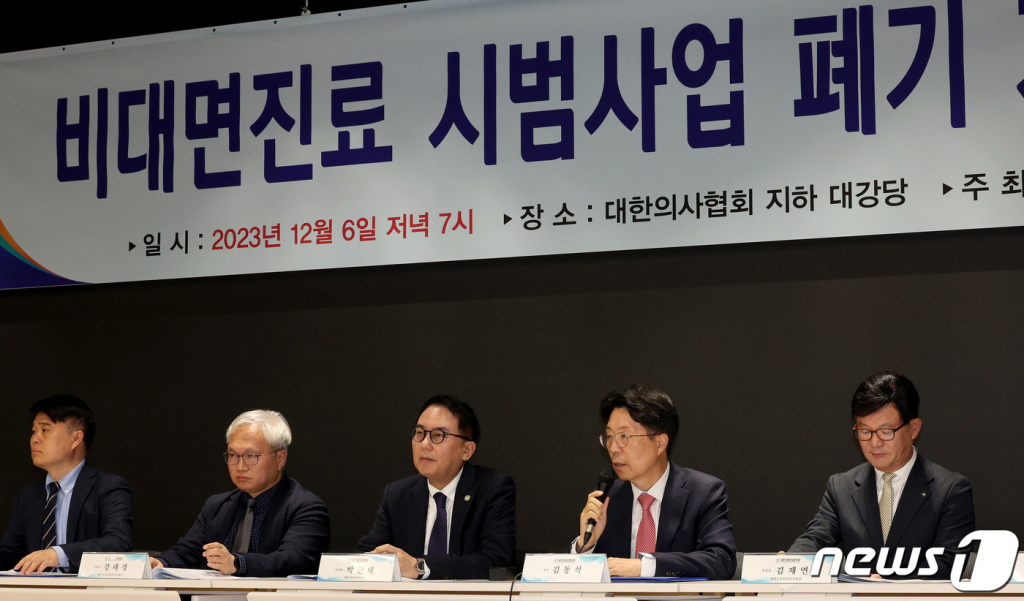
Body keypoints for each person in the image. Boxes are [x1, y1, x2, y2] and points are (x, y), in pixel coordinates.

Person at [787, 371, 975, 579]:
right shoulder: (841, 487)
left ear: (914, 428)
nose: (875, 443)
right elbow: (815, 538)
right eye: (865, 431)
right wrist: (790, 563)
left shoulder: (950, 490)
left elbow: (949, 562)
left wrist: (889, 585)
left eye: (886, 432)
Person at [573, 384, 736, 579]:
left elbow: (721, 560)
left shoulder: (703, 492)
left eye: (624, 436)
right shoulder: (608, 497)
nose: (613, 448)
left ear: (660, 443)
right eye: (609, 436)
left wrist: (645, 567)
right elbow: (570, 575)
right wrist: (586, 544)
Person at [151, 410, 329, 577]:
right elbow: (188, 551)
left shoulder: (306, 508)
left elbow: (292, 560)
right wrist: (160, 563)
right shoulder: (217, 506)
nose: (240, 466)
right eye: (233, 455)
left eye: (251, 456)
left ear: (280, 458)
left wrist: (237, 563)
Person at [357, 395, 516, 579]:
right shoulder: (397, 494)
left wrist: (420, 567)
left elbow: (496, 560)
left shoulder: (492, 488)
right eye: (419, 433)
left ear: (467, 450)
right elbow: (367, 553)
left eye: (438, 435)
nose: (425, 444)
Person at [0, 395, 133, 574]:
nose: (35, 439)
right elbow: (10, 555)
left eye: (45, 430)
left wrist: (59, 554)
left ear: (75, 439)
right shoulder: (27, 495)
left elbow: (118, 543)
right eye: (34, 431)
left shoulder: (108, 488)